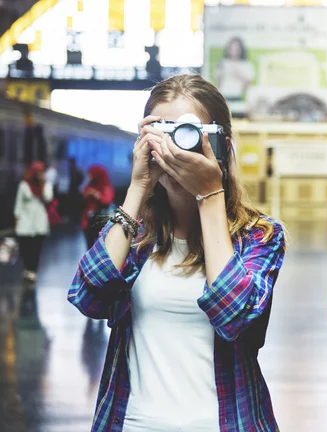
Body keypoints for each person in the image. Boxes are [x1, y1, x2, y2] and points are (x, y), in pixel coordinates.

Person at [68, 74, 286, 431]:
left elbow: (234, 316)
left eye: (189, 134)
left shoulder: (259, 236)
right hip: (133, 422)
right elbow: (88, 297)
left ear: (223, 146)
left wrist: (209, 194)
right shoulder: (135, 236)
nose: (174, 149)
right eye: (163, 134)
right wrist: (138, 187)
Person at [13, 161, 53, 282]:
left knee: (36, 248)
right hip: (25, 222)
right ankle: (27, 268)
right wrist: (16, 220)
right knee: (25, 247)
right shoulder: (24, 185)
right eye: (38, 172)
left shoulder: (46, 185)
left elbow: (48, 198)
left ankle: (33, 270)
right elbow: (18, 204)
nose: (40, 174)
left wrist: (43, 183)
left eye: (42, 172)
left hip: (40, 222)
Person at [81, 165, 114, 249]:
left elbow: (107, 200)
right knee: (89, 245)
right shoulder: (89, 186)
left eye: (91, 174)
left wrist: (95, 194)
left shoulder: (105, 186)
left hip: (101, 221)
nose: (89, 176)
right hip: (89, 220)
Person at [215, 37, 255, 101]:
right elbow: (218, 82)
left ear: (241, 49)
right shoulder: (222, 63)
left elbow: (248, 84)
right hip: (223, 96)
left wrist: (237, 72)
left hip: (238, 97)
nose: (234, 50)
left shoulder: (246, 65)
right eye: (231, 47)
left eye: (236, 47)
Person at [67, 158, 84, 222]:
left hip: (75, 190)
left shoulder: (76, 171)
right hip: (73, 190)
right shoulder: (72, 170)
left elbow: (80, 178)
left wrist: (77, 185)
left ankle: (75, 217)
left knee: (75, 205)